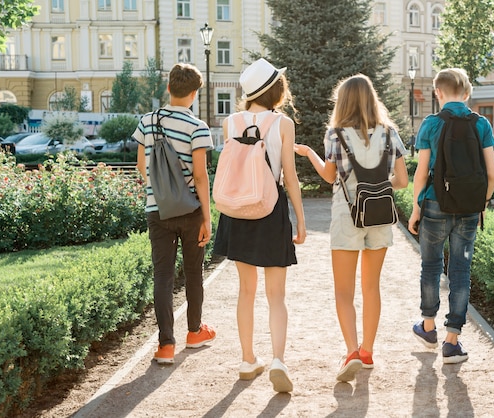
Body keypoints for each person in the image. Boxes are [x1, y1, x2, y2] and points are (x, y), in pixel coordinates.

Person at [294, 74, 409, 382]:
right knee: (372, 287)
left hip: (347, 215)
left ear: (342, 101)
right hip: (381, 215)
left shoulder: (336, 135)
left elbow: (330, 177)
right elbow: (402, 181)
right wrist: (381, 185)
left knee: (344, 291)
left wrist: (308, 154)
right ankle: (368, 351)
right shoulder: (389, 133)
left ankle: (351, 352)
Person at [213, 58, 307, 393]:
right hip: (270, 209)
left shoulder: (230, 121)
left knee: (246, 290)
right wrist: (300, 218)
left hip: (238, 210)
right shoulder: (282, 124)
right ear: (276, 89)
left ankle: (247, 359)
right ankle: (278, 359)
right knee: (276, 295)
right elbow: (290, 178)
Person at [407, 68, 494, 364]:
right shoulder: (481, 124)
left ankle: (428, 328)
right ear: (468, 93)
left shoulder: (431, 124)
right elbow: (492, 174)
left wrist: (416, 207)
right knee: (461, 271)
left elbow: (421, 173)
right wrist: (480, 201)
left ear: (438, 93)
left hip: (434, 204)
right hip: (469, 210)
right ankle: (452, 341)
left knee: (431, 267)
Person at [134, 63, 216, 365]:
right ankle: (195, 332)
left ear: (168, 88)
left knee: (163, 275)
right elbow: (201, 176)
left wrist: (160, 190)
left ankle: (165, 345)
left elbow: (142, 167)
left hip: (158, 211)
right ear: (194, 93)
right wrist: (207, 218)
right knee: (194, 273)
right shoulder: (198, 127)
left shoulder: (146, 121)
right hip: (192, 210)